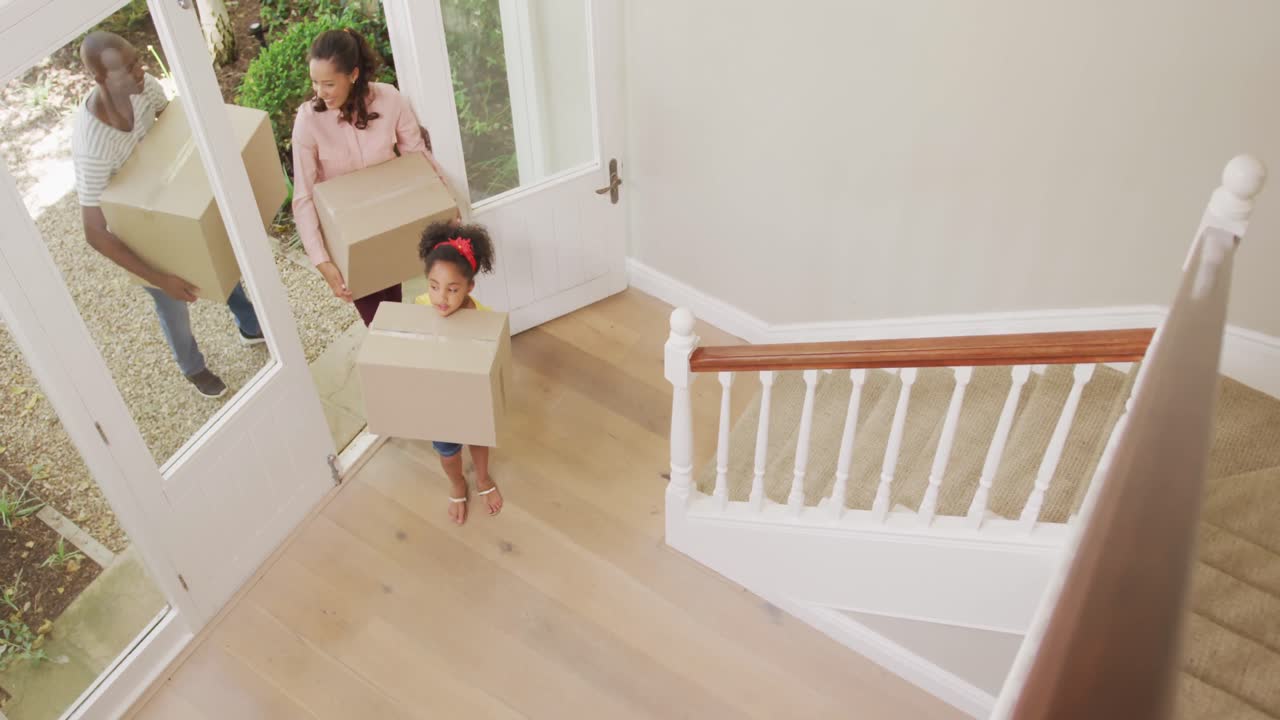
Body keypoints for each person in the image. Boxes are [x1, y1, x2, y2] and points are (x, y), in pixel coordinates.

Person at [73, 31, 264, 399]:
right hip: (138, 223)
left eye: (137, 60)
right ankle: (192, 366)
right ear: (100, 78)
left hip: (169, 195)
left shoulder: (145, 87)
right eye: (127, 68)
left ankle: (248, 323)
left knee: (213, 256)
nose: (140, 71)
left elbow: (174, 127)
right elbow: (94, 232)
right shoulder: (92, 147)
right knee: (171, 299)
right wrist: (159, 277)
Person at [291, 28, 455, 327]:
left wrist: (448, 206)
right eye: (315, 82)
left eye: (329, 83)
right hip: (348, 237)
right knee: (380, 322)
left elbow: (417, 156)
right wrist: (321, 259)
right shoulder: (308, 120)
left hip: (390, 223)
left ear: (353, 75)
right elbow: (303, 196)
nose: (320, 92)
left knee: (393, 305)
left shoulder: (389, 99)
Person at [415, 221, 502, 525]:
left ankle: (482, 478)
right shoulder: (420, 308)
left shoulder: (484, 320)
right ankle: (457, 483)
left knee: (478, 440)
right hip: (438, 400)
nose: (441, 298)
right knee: (447, 451)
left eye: (452, 290)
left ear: (469, 288)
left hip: (471, 397)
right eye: (434, 286)